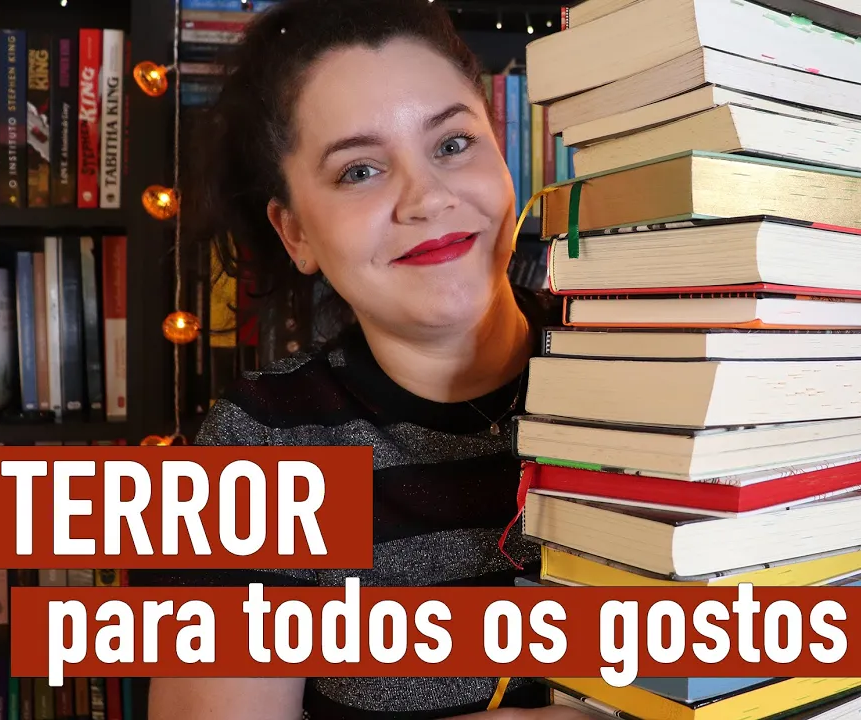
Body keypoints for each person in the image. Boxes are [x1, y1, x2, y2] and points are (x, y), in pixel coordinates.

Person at [139, 1, 585, 717]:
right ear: (295, 233)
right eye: (360, 171)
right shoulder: (259, 453)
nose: (428, 199)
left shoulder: (655, 361)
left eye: (453, 144)